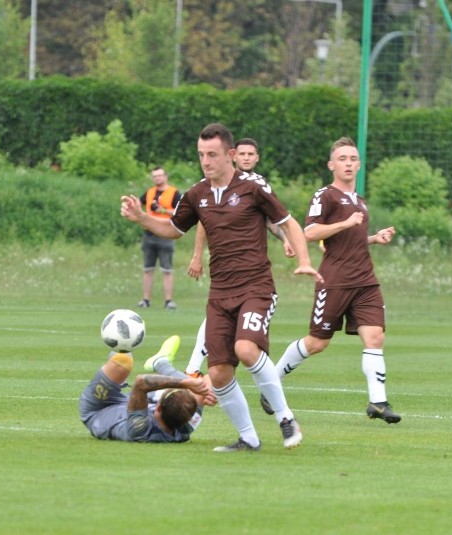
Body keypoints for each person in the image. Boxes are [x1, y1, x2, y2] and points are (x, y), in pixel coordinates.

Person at [121, 123, 323, 452]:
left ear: (230, 155)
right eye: (201, 155)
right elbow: (174, 229)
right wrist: (141, 218)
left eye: (212, 154)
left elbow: (288, 223)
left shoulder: (253, 187)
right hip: (220, 294)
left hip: (256, 286)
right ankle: (249, 439)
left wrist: (302, 259)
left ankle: (285, 418)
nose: (206, 161)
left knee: (246, 350)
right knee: (218, 373)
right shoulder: (197, 194)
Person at [261, 136, 402, 424]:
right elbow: (309, 232)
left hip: (365, 280)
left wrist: (374, 238)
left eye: (353, 159)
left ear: (359, 164)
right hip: (335, 279)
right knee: (317, 342)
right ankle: (270, 382)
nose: (348, 163)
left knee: (375, 336)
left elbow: (353, 239)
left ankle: (378, 402)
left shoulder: (359, 202)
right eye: (342, 159)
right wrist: (345, 223)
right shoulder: (325, 195)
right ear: (331, 164)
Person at [184, 138, 293, 376]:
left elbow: (272, 219)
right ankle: (193, 367)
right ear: (233, 155)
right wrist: (196, 255)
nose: (246, 158)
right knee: (217, 315)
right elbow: (203, 220)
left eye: (250, 154)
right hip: (223, 268)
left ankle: (198, 367)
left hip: (251, 269)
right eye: (242, 153)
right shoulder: (214, 183)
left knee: (240, 330)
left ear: (257, 158)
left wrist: (286, 240)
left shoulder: (257, 185)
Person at [79, 335, 215, 443]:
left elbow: (141, 382)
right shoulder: (186, 424)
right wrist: (209, 392)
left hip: (97, 410)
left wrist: (185, 384)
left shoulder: (140, 430)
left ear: (158, 408)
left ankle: (126, 337)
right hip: (130, 404)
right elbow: (210, 378)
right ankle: (162, 363)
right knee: (196, 391)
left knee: (123, 360)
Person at [137, 166, 181, 310]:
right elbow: (138, 203)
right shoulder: (149, 192)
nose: (157, 178)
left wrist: (162, 210)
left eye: (160, 175)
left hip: (166, 234)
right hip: (149, 234)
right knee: (147, 268)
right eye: (154, 176)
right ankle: (145, 300)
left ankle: (168, 301)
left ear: (165, 176)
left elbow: (181, 211)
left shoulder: (173, 193)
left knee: (166, 269)